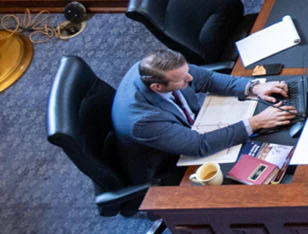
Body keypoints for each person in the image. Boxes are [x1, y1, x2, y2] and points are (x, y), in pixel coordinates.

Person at [110, 49, 296, 184]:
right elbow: (199, 145)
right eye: (183, 80)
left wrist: (254, 87)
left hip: (195, 127)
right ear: (157, 87)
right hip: (171, 162)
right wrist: (256, 123)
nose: (190, 79)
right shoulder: (142, 121)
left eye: (187, 72)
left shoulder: (160, 67)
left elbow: (207, 79)